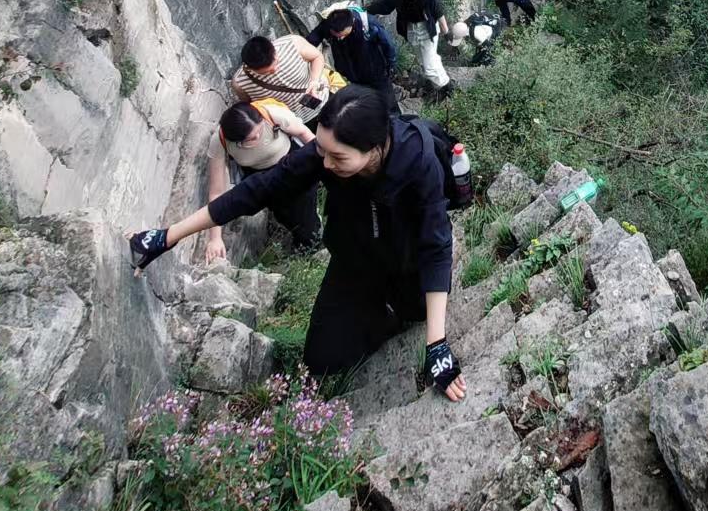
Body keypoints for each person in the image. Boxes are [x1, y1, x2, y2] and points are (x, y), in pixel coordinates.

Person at [129, 85, 466, 399]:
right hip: (355, 258)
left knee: (417, 314)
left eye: (338, 157)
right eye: (321, 149)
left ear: (374, 147)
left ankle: (390, 310)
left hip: (407, 259)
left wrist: (436, 345)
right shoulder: (325, 154)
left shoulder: (418, 164)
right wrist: (168, 237)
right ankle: (376, 314)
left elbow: (435, 247)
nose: (326, 163)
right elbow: (258, 190)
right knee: (321, 360)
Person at [203, 100, 321, 263]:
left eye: (260, 130)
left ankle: (311, 245)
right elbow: (216, 192)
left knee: (305, 206)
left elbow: (304, 134)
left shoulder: (271, 115)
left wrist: (326, 159)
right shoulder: (220, 141)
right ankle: (306, 235)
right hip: (262, 177)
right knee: (284, 214)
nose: (259, 136)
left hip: (292, 163)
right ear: (237, 141)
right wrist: (215, 238)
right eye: (252, 138)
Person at [367, 0, 452, 94]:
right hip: (411, 30)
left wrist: (446, 32)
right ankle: (435, 82)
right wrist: (365, 10)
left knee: (429, 67)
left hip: (428, 29)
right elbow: (383, 5)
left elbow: (438, 12)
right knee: (424, 60)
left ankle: (446, 87)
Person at [232, 32, 330, 125]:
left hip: (322, 98)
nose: (275, 70)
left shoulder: (292, 44)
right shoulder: (240, 83)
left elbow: (317, 57)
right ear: (251, 69)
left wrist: (314, 81)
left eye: (276, 63)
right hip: (294, 121)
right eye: (267, 72)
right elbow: (254, 106)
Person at [306, 2, 396, 92]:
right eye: (336, 36)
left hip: (374, 70)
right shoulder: (332, 22)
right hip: (349, 71)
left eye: (342, 35)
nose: (340, 38)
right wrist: (305, 50)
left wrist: (390, 65)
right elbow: (315, 36)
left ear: (351, 25)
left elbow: (388, 45)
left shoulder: (369, 25)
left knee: (383, 95)